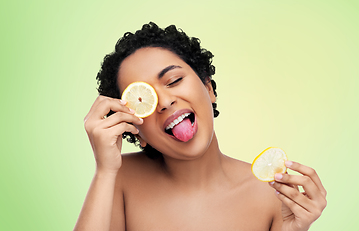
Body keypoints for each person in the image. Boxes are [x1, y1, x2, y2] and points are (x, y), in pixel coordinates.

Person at [74, 22, 327, 231]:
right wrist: (105, 171)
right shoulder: (118, 179)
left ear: (208, 88)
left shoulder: (273, 195)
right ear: (133, 128)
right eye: (142, 101)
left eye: (173, 80)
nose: (164, 102)